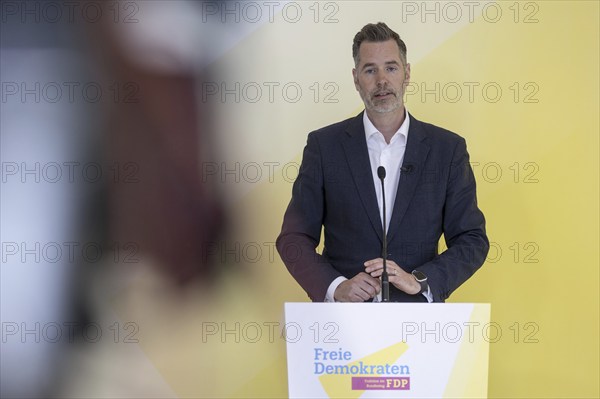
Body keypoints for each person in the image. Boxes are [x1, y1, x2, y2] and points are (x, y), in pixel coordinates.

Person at [276, 22, 489, 303]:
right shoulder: (324, 147)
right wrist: (335, 286)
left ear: (407, 73)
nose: (381, 81)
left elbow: (472, 239)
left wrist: (421, 281)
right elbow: (293, 238)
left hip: (418, 326)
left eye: (390, 67)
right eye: (369, 70)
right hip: (343, 324)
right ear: (355, 78)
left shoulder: (447, 150)